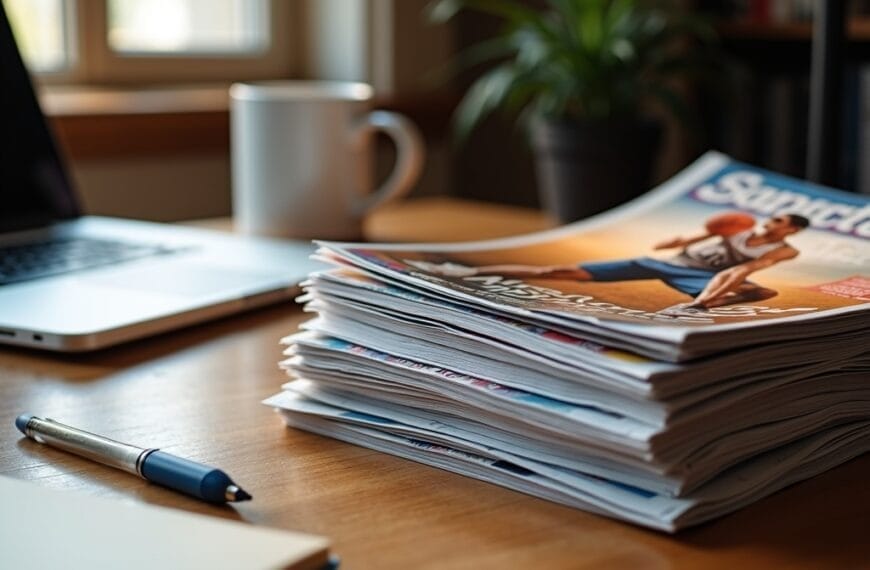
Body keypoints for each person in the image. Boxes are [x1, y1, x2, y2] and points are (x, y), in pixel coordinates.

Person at [408, 214, 810, 313]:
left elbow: (739, 270)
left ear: (789, 232)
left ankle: (697, 305)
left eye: (782, 224)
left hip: (698, 277)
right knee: (557, 272)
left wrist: (707, 294)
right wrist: (684, 238)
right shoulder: (738, 226)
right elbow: (692, 239)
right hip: (663, 262)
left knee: (758, 288)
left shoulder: (784, 252)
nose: (773, 225)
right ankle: (466, 271)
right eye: (775, 219)